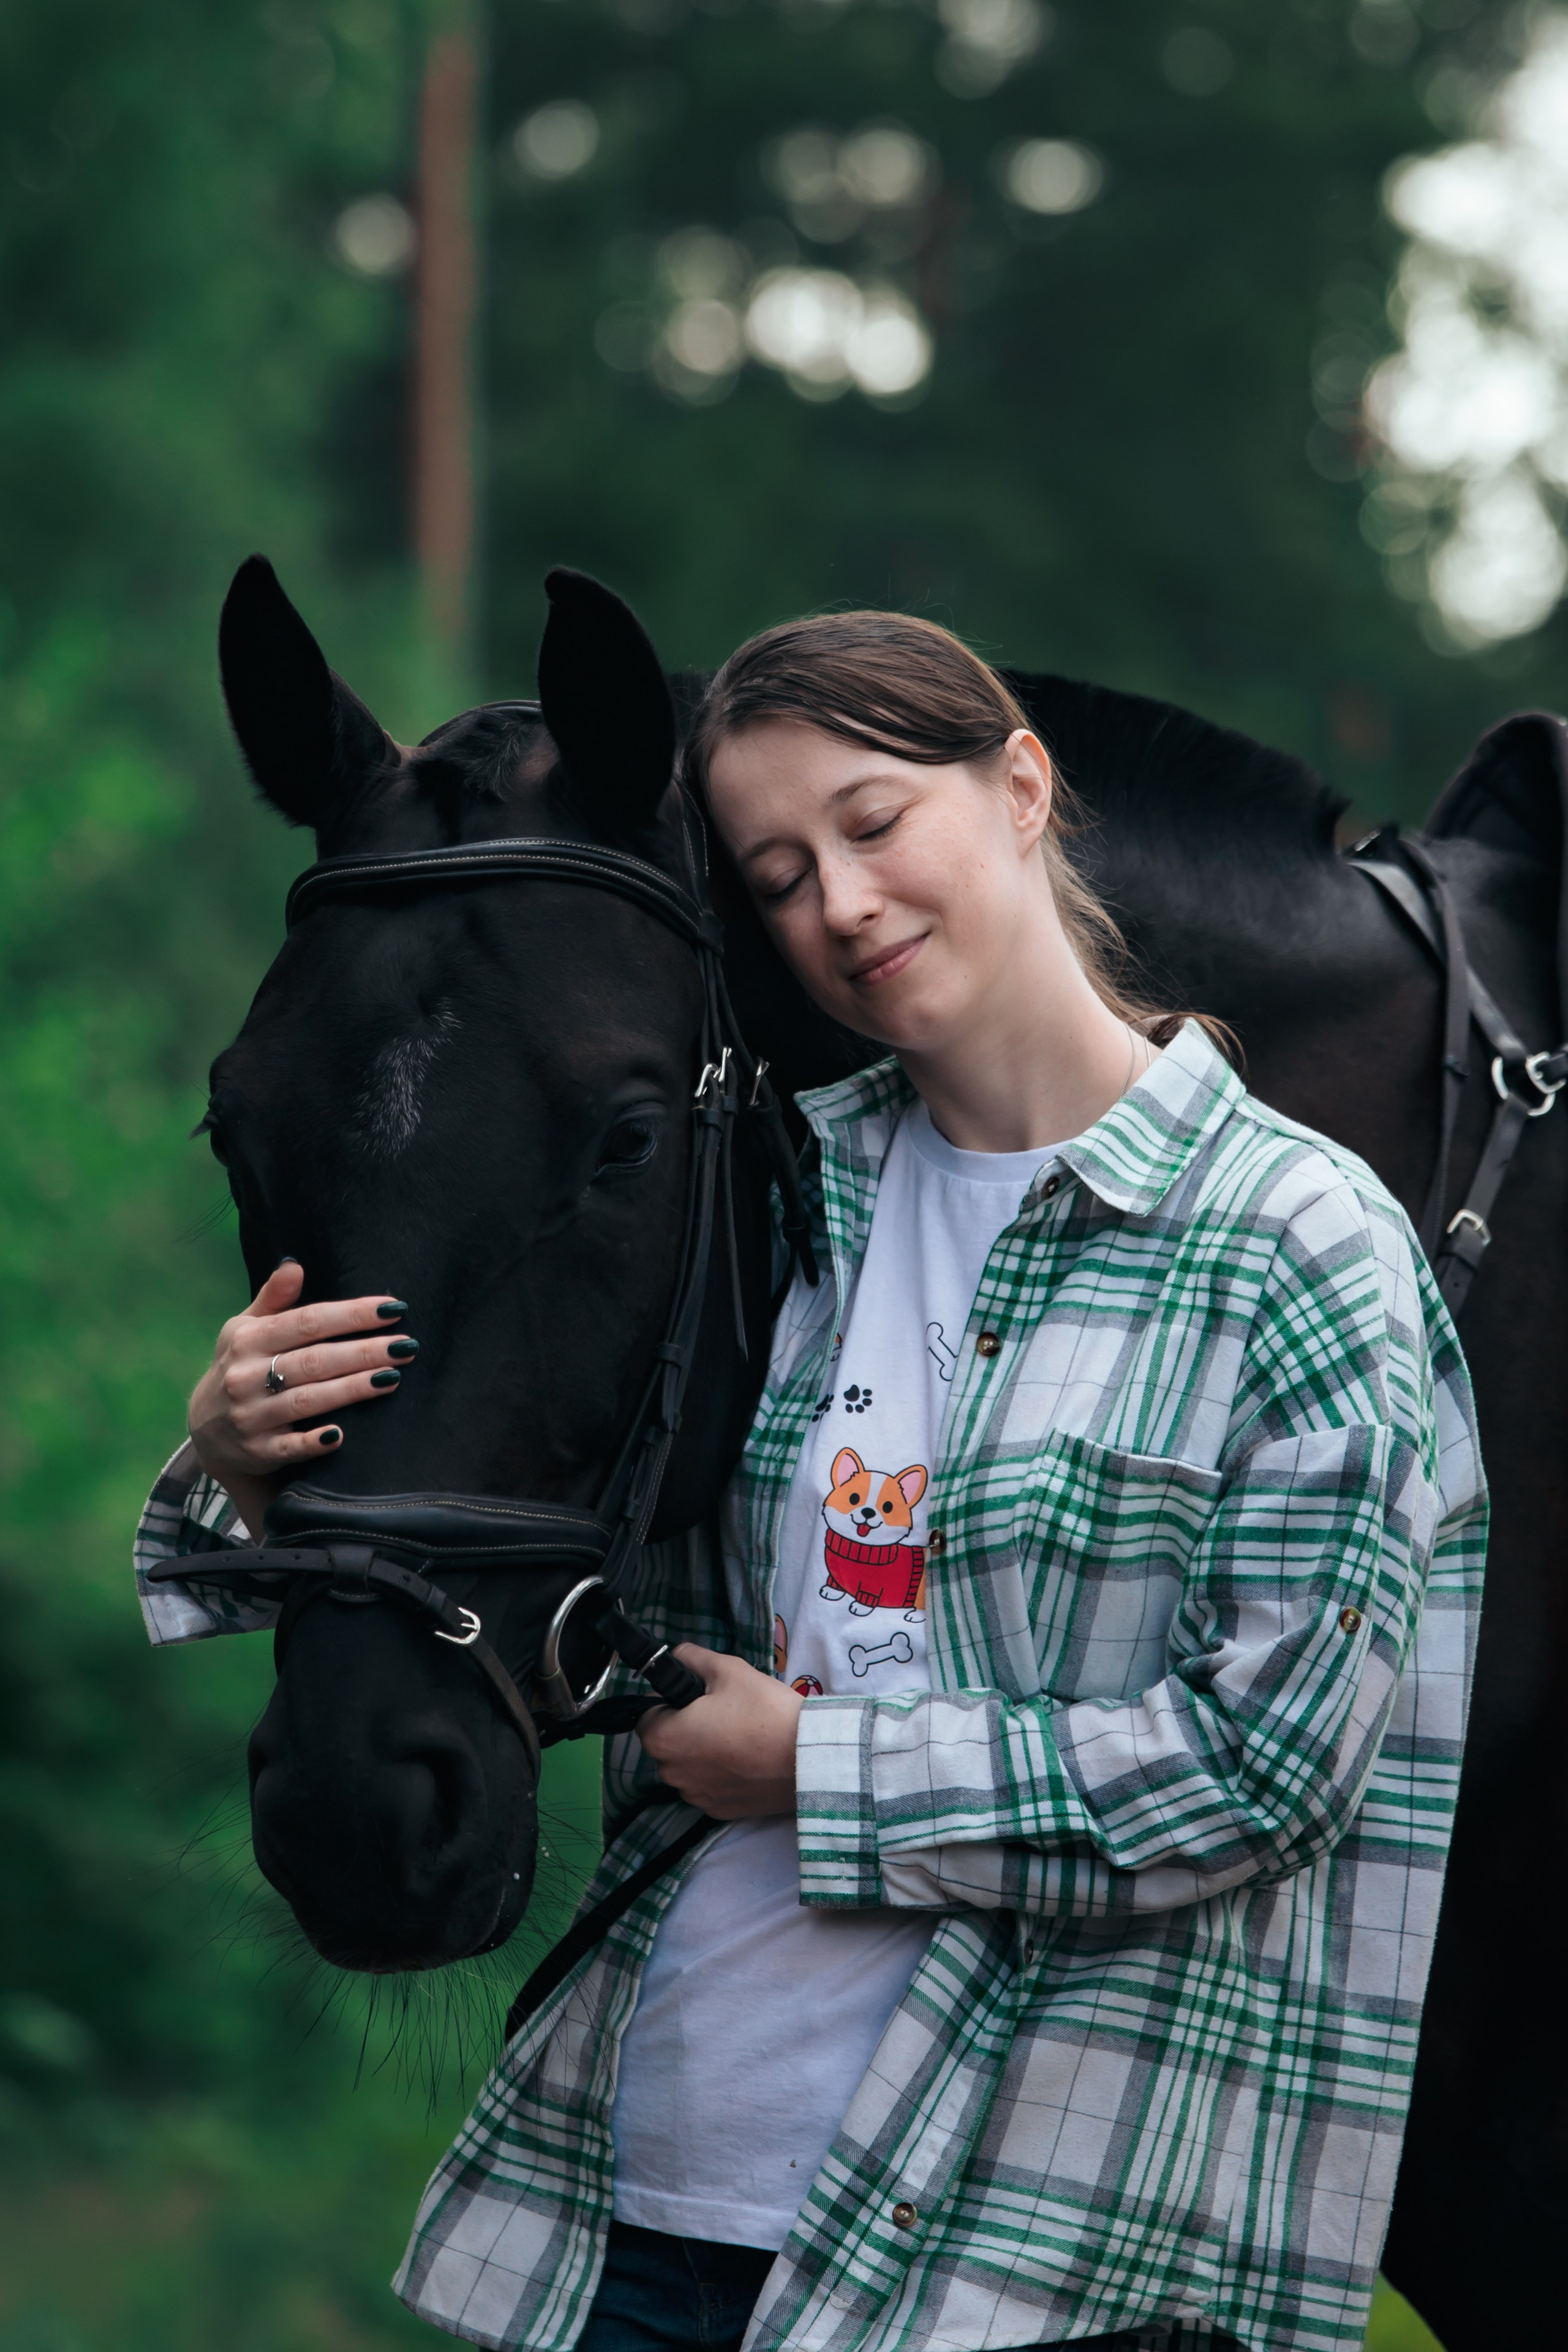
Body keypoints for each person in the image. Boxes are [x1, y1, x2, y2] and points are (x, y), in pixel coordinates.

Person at [148, 612, 1483, 2352]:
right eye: (777, 873)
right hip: (642, 2211)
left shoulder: (1296, 1245)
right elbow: (536, 1467)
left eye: (872, 825)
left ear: (1021, 787)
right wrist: (240, 1457)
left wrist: (820, 1771)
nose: (837, 903)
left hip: (1041, 2256)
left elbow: (1268, 1771)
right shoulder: (773, 1197)